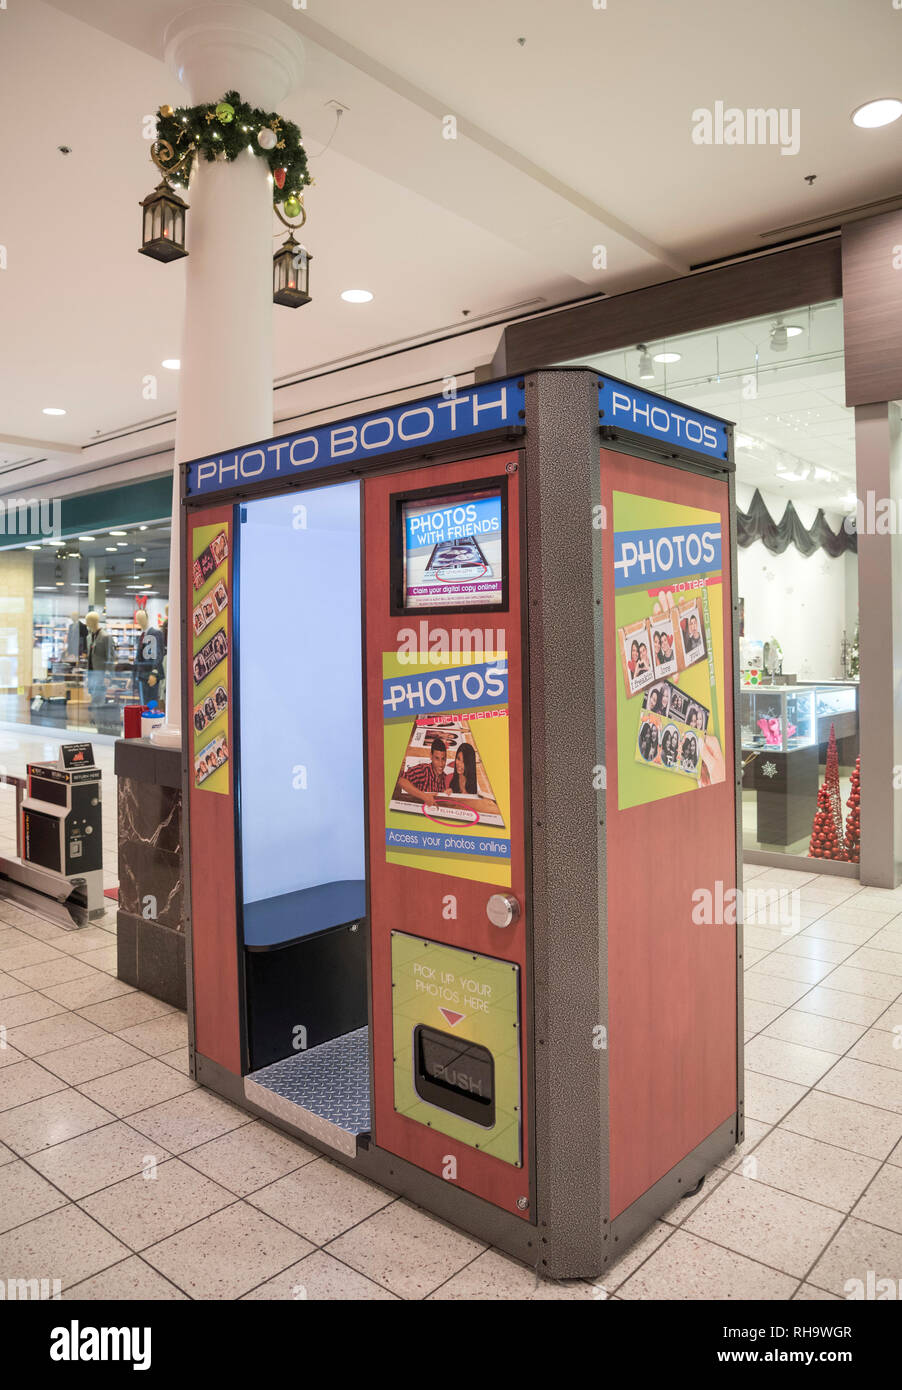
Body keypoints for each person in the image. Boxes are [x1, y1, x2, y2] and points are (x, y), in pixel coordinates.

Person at [399, 737, 448, 806]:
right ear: (431, 756)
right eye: (437, 758)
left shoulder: (445, 778)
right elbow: (402, 781)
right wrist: (424, 796)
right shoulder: (423, 770)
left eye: (443, 759)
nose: (441, 764)